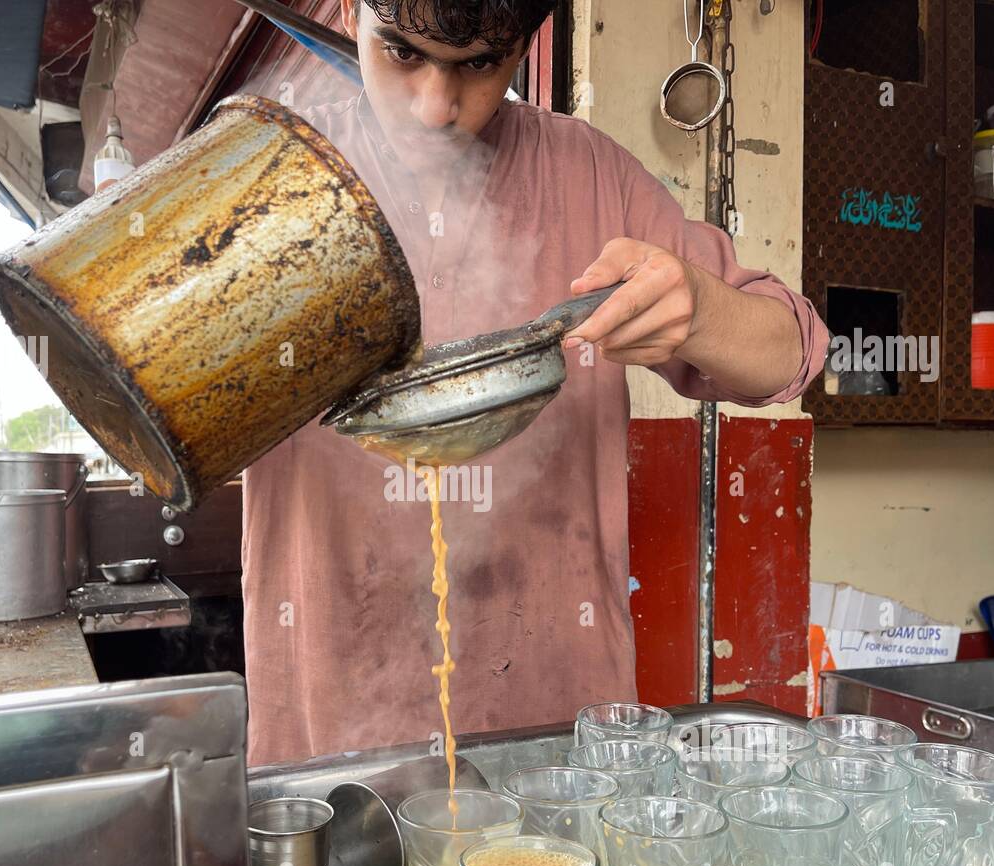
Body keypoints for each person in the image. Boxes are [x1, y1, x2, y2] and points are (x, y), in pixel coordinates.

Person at [241, 0, 828, 765]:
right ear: (350, 11)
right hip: (329, 732)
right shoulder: (272, 180)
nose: (436, 108)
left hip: (555, 740)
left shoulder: (589, 176)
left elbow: (796, 349)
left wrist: (699, 309)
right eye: (402, 54)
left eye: (481, 65)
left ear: (525, 45)